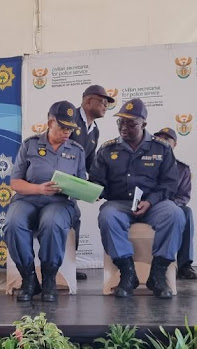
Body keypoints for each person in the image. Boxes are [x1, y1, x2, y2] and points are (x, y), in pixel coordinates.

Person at [90, 99, 185, 299]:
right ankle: (127, 273)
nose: (124, 127)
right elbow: (98, 182)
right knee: (107, 215)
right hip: (120, 203)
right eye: (120, 123)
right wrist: (91, 190)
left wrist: (150, 201)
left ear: (144, 124)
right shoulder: (107, 150)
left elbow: (169, 183)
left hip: (154, 203)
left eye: (131, 123)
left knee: (175, 214)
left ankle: (158, 274)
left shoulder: (162, 149)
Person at [4, 100, 86, 302]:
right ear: (50, 123)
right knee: (13, 223)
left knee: (51, 222)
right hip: (28, 198)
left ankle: (49, 278)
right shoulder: (30, 145)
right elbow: (15, 182)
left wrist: (78, 190)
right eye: (63, 127)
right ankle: (29, 278)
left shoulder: (77, 150)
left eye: (70, 128)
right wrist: (39, 188)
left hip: (59, 202)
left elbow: (81, 183)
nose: (67, 132)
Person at [70, 84, 115, 281]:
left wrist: (98, 186)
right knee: (73, 217)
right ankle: (59, 267)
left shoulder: (94, 130)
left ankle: (68, 266)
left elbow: (91, 164)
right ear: (88, 101)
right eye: (102, 102)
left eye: (107, 103)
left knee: (74, 219)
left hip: (73, 185)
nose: (105, 106)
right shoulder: (70, 119)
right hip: (58, 182)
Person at [153, 127, 197, 280]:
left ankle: (185, 265)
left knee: (186, 212)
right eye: (159, 139)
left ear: (175, 144)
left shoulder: (182, 169)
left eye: (167, 140)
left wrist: (168, 205)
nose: (163, 142)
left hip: (171, 207)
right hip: (148, 208)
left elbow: (183, 196)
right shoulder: (147, 163)